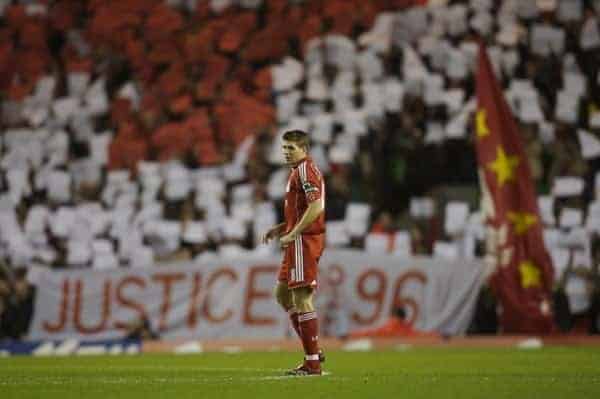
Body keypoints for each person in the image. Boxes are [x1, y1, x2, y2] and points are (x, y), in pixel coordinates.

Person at [262, 129, 326, 376]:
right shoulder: (296, 172)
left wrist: (294, 233)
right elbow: (301, 209)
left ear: (304, 149)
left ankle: (312, 363)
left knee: (301, 298)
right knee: (282, 295)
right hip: (296, 238)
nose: (286, 152)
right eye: (284, 148)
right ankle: (314, 350)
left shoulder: (305, 170)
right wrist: (281, 229)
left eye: (292, 148)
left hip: (303, 241)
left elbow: (316, 206)